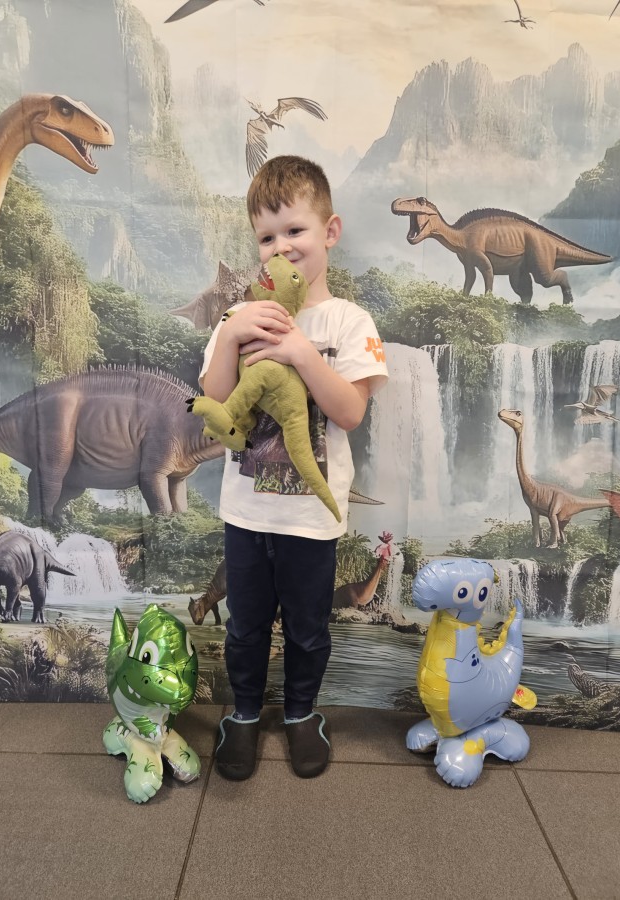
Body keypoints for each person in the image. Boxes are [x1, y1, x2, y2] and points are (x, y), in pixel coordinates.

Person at [199, 155, 388, 780]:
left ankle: (303, 712)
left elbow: (350, 412)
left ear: (329, 232)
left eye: (295, 230)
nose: (281, 247)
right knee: (246, 626)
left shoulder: (349, 322)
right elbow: (215, 402)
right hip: (246, 514)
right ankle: (244, 714)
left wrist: (304, 353)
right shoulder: (238, 318)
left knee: (308, 627)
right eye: (266, 237)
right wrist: (232, 334)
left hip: (312, 520)